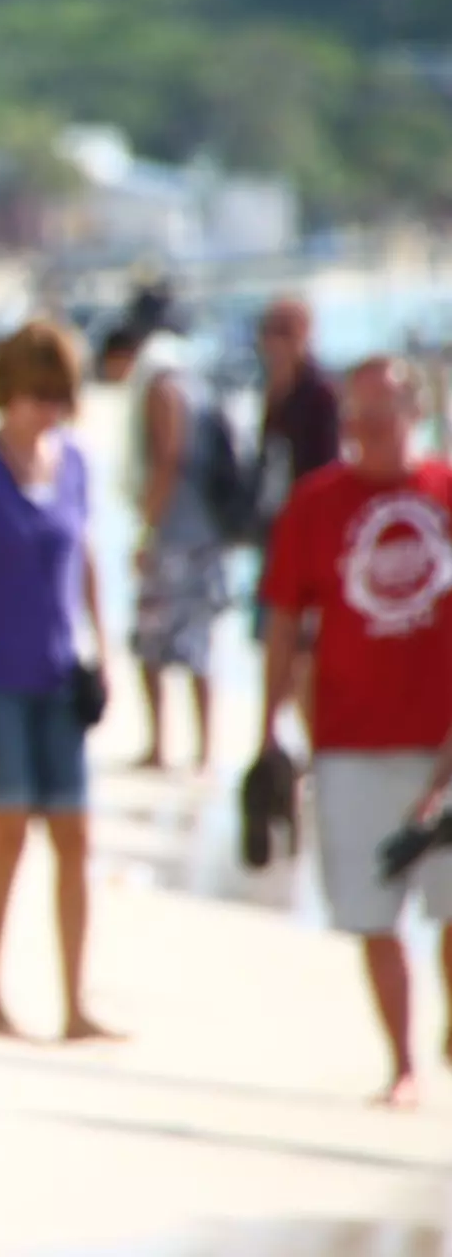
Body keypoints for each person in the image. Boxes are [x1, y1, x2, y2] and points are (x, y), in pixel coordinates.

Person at [259, 357, 452, 1109]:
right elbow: (283, 621)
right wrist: (268, 726)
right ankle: (400, 1062)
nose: (362, 435)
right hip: (348, 743)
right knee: (373, 916)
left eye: (378, 418)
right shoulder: (312, 505)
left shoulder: (443, 492)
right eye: (352, 420)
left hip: (441, 740)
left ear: (413, 413)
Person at [0, 319, 116, 1042]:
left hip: (60, 678)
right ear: (8, 389)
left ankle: (74, 1006)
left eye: (60, 396)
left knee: (75, 839)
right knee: (7, 841)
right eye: (38, 394)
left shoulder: (75, 464)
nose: (49, 409)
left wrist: (104, 649)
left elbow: (86, 559)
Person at [100, 316, 228, 775]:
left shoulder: (159, 384)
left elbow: (169, 456)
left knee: (154, 644)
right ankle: (202, 750)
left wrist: (146, 531)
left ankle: (164, 746)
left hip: (177, 535)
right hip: (204, 533)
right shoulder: (189, 374)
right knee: (196, 644)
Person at [252, 296, 340, 745]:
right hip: (275, 533)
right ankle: (279, 740)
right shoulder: (275, 390)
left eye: (285, 331)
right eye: (270, 331)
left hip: (309, 534)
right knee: (276, 643)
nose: (275, 342)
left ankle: (313, 743)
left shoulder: (319, 393)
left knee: (303, 651)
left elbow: (326, 468)